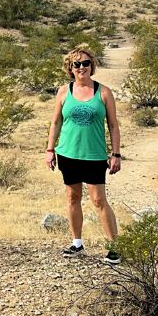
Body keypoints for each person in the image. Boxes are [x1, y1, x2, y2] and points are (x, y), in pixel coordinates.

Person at [45, 45, 122, 263]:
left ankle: (114, 246)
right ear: (70, 68)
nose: (81, 68)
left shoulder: (104, 92)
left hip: (94, 155)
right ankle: (77, 243)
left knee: (98, 200)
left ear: (92, 66)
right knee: (72, 197)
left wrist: (115, 154)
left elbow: (114, 125)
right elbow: (56, 122)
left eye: (86, 63)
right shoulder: (63, 91)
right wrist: (50, 149)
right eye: (76, 64)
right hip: (68, 154)